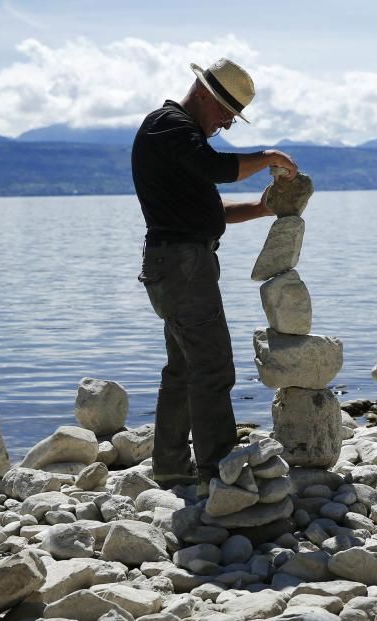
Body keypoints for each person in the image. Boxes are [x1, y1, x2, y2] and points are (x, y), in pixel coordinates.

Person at [131, 58, 298, 497]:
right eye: (226, 112)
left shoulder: (177, 138)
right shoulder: (170, 126)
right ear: (205, 94)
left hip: (175, 262)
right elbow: (214, 167)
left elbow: (208, 213)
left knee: (184, 367)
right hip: (182, 266)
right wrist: (268, 157)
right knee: (212, 366)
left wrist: (262, 209)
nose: (226, 123)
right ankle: (217, 469)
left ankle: (170, 466)